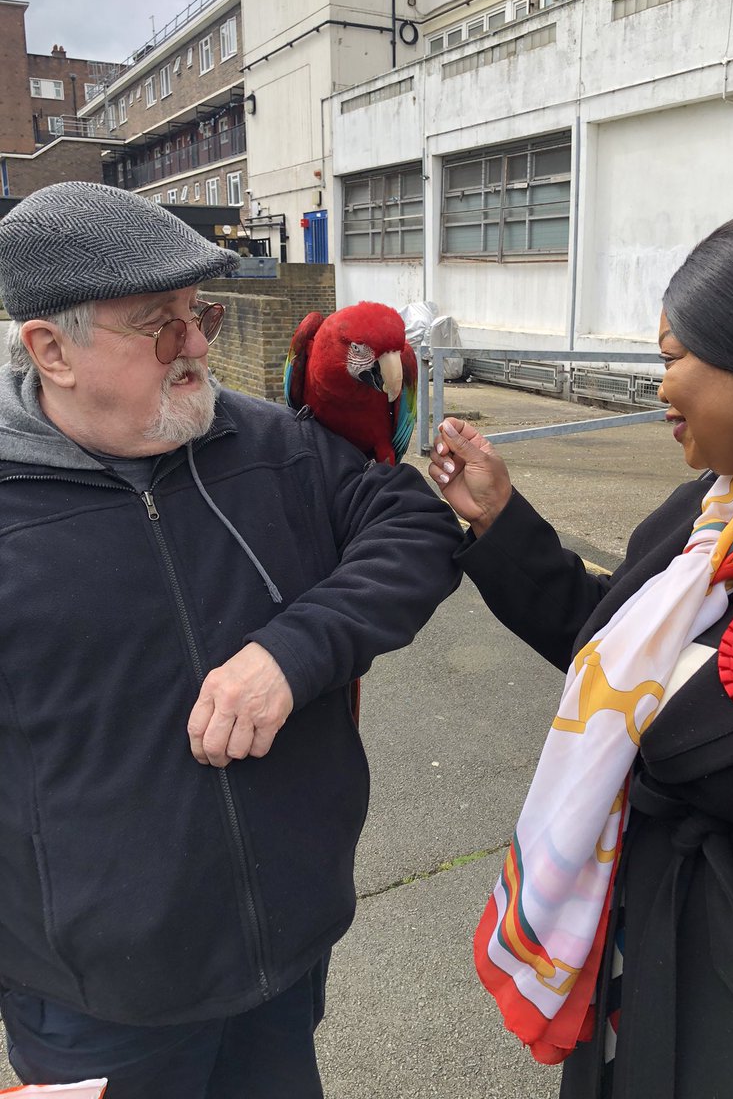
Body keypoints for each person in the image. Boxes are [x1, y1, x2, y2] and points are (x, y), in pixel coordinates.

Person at [0, 181, 461, 1099]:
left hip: (284, 955)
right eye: (161, 325)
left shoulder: (274, 443)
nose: (199, 345)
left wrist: (297, 650)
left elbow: (415, 529)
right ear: (50, 348)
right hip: (94, 1006)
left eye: (198, 312)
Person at [429, 202, 733, 1099]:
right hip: (648, 945)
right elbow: (608, 646)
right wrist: (498, 518)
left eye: (675, 357)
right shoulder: (710, 512)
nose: (659, 387)